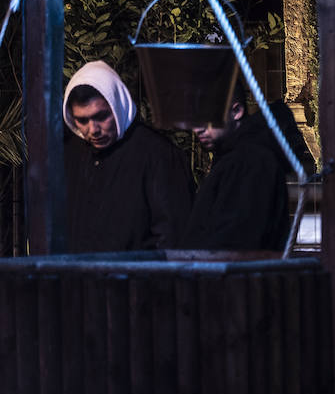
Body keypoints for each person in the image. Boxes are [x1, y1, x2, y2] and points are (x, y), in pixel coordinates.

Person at [63, 59, 193, 252]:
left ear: (117, 105)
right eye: (82, 120)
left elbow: (173, 234)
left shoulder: (156, 153)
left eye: (101, 116)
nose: (93, 129)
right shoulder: (71, 153)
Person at [177, 84, 314, 251]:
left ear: (236, 111)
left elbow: (236, 239)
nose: (197, 128)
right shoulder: (235, 158)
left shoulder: (250, 161)